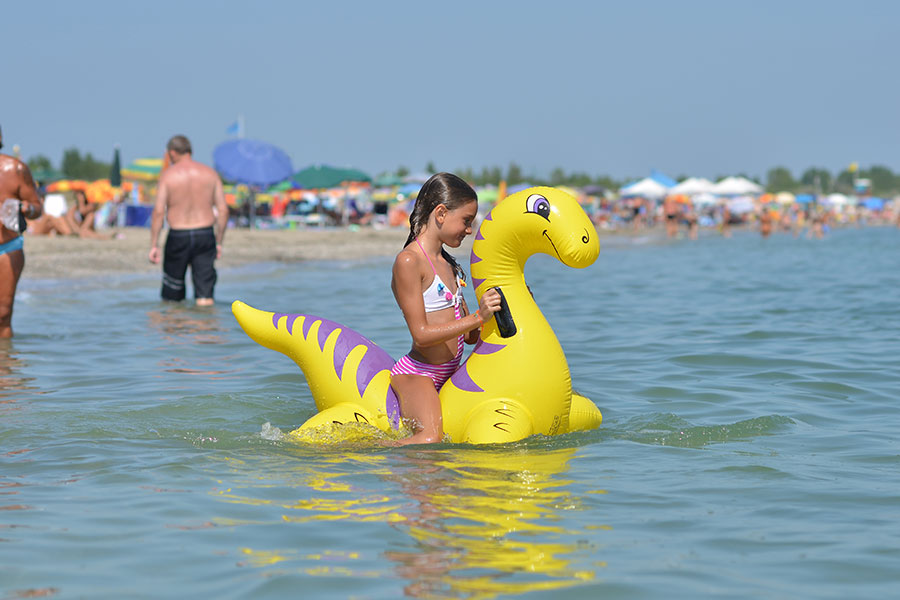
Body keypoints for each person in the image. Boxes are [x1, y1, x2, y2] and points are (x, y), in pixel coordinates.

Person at [389, 173, 501, 445]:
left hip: (451, 373)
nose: (469, 230)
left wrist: (502, 306)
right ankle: (358, 454)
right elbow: (421, 335)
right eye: (466, 221)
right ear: (440, 213)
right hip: (419, 374)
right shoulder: (409, 261)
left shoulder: (451, 265)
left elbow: (470, 336)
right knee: (430, 439)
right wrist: (478, 316)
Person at [149, 135, 228, 306]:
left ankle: (176, 330)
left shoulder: (168, 176)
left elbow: (158, 212)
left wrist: (154, 245)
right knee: (205, 296)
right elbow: (223, 211)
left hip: (178, 235)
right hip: (205, 233)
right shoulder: (210, 173)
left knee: (172, 297)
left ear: (172, 153)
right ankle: (205, 329)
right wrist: (219, 241)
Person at [0, 125, 43, 337]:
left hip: (7, 247)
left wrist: (28, 208)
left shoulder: (15, 169)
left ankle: (6, 366)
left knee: (3, 314)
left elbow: (38, 206)